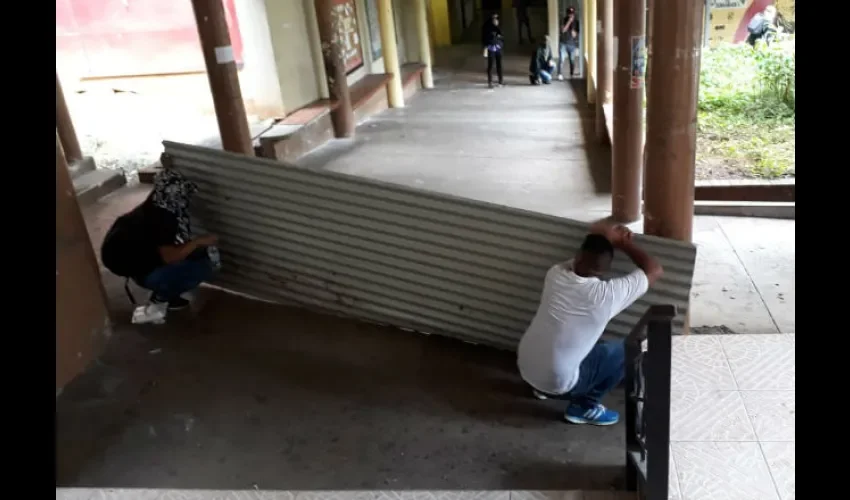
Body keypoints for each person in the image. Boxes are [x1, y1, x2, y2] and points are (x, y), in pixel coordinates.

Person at [516, 222, 664, 426]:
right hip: (560, 383)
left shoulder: (555, 274)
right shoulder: (608, 295)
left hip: (525, 368)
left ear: (576, 257)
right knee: (628, 348)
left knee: (583, 345)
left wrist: (604, 234)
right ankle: (584, 406)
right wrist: (623, 243)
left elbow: (588, 249)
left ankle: (541, 389)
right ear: (605, 271)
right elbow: (654, 269)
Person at [100, 155, 221, 325]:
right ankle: (162, 297)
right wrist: (198, 241)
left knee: (194, 254)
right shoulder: (163, 219)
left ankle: (164, 289)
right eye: (183, 195)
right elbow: (169, 256)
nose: (186, 199)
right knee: (204, 265)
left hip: (135, 266)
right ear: (175, 197)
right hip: (142, 271)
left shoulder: (155, 204)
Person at [481, 13, 505, 89]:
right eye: (494, 19)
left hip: (498, 48)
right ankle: (490, 82)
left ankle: (500, 81)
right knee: (490, 65)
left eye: (497, 19)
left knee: (499, 65)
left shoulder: (499, 28)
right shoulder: (487, 28)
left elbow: (502, 38)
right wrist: (485, 47)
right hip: (490, 48)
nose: (495, 20)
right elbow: (484, 39)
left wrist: (500, 44)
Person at [558, 7, 580, 80]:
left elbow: (575, 34)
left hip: (572, 44)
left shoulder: (576, 22)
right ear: (567, 14)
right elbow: (563, 30)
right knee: (561, 59)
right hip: (563, 43)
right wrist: (569, 22)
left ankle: (572, 74)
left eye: (572, 14)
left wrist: (573, 28)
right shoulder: (563, 20)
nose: (571, 15)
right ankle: (560, 74)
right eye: (569, 14)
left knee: (572, 60)